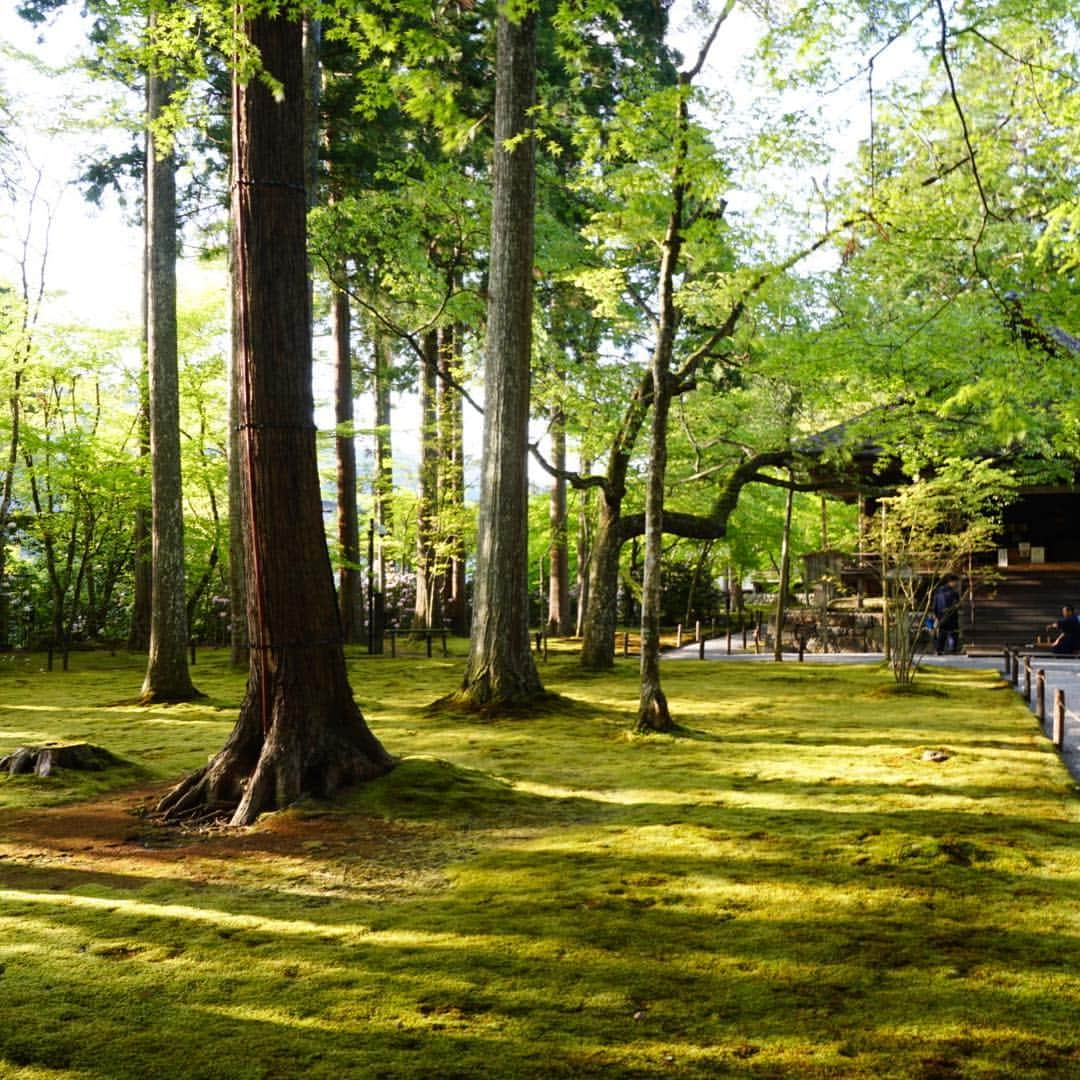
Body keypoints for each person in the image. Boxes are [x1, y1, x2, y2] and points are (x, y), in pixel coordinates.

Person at [931, 575, 961, 655]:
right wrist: (957, 606)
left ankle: (939, 650)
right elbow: (957, 604)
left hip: (940, 614)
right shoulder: (954, 592)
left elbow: (935, 603)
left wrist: (935, 614)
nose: (956, 584)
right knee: (953, 632)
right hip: (951, 614)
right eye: (956, 582)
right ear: (952, 582)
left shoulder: (938, 591)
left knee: (942, 632)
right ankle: (952, 649)